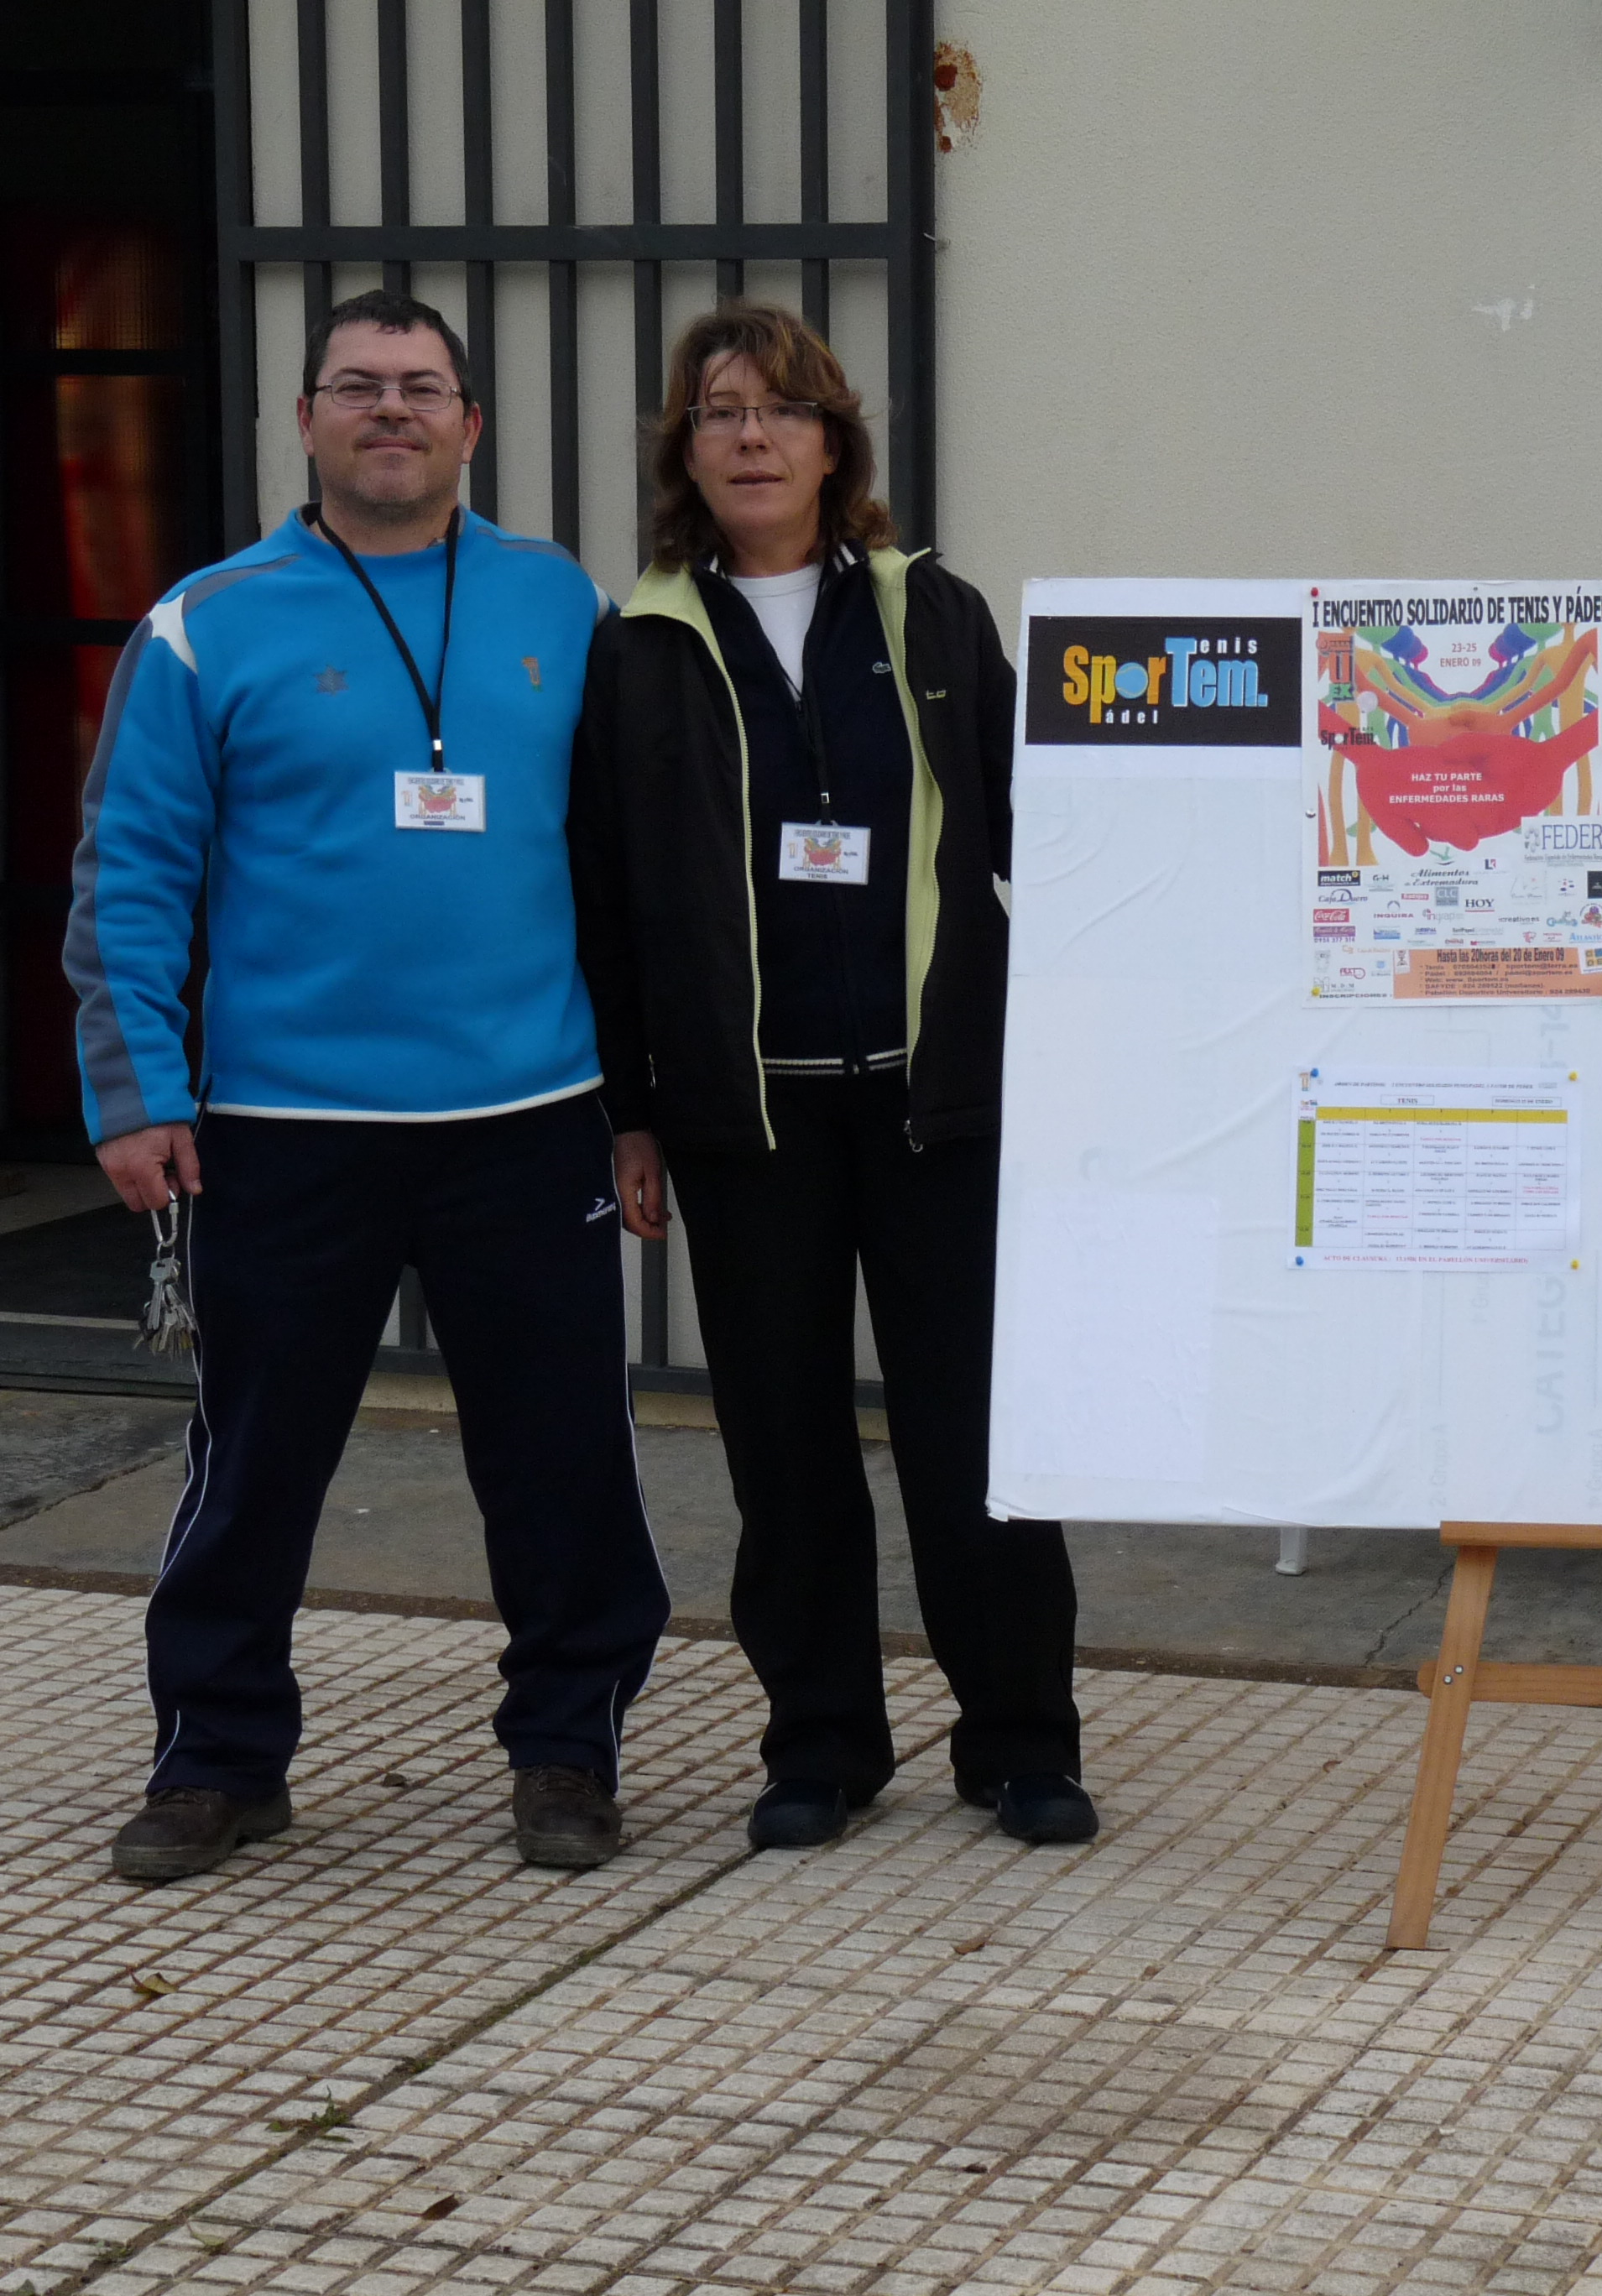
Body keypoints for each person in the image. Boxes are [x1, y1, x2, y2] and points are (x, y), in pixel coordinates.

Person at [67, 289, 667, 1882]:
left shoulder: (561, 604)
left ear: (471, 422)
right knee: (255, 1462)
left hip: (525, 1117)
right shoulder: (205, 623)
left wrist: (638, 1101)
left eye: (419, 386)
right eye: (356, 386)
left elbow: (621, 869)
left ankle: (568, 1748)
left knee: (563, 1460)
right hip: (285, 1127)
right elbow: (130, 872)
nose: (389, 410)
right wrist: (134, 1090)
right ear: (305, 420)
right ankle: (217, 1758)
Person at [571, 302, 1093, 1853]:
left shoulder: (936, 615)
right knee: (784, 1447)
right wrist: (630, 1109)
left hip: (939, 1106)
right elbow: (606, 895)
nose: (752, 437)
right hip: (751, 1119)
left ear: (833, 443)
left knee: (971, 1437)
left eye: (783, 411)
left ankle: (1019, 1741)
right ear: (685, 451)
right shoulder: (640, 645)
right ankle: (820, 1745)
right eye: (720, 412)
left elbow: (1041, 834)